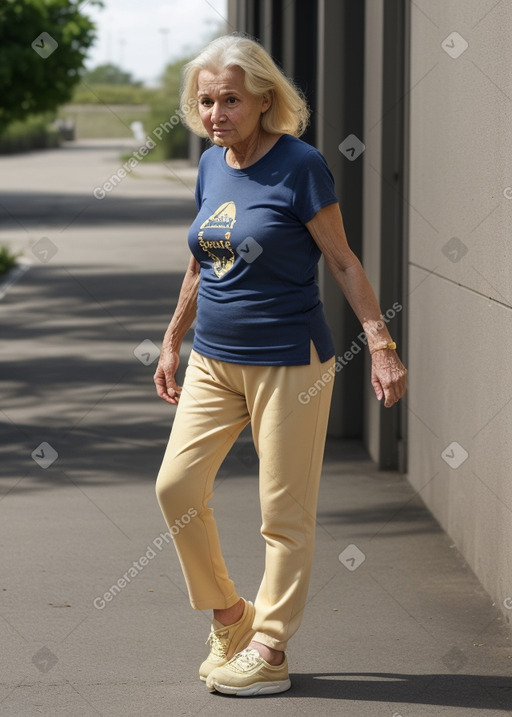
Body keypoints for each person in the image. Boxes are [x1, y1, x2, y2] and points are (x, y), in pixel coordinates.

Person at [154, 33, 407, 697]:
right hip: (214, 359)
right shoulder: (213, 165)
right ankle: (231, 616)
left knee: (282, 512)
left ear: (265, 99)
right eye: (206, 100)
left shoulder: (300, 164)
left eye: (230, 99)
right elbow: (201, 258)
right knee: (176, 488)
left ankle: (270, 646)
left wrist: (380, 343)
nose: (216, 112)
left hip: (289, 362)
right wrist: (173, 338)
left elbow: (344, 260)